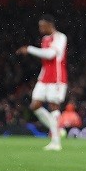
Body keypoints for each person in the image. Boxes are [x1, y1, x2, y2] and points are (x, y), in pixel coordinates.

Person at [17, 14, 68, 151]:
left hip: (57, 78)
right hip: (44, 78)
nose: (40, 28)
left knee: (53, 105)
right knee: (34, 105)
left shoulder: (61, 37)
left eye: (42, 26)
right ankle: (57, 129)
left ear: (49, 25)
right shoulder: (45, 39)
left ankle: (56, 142)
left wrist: (29, 49)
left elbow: (50, 55)